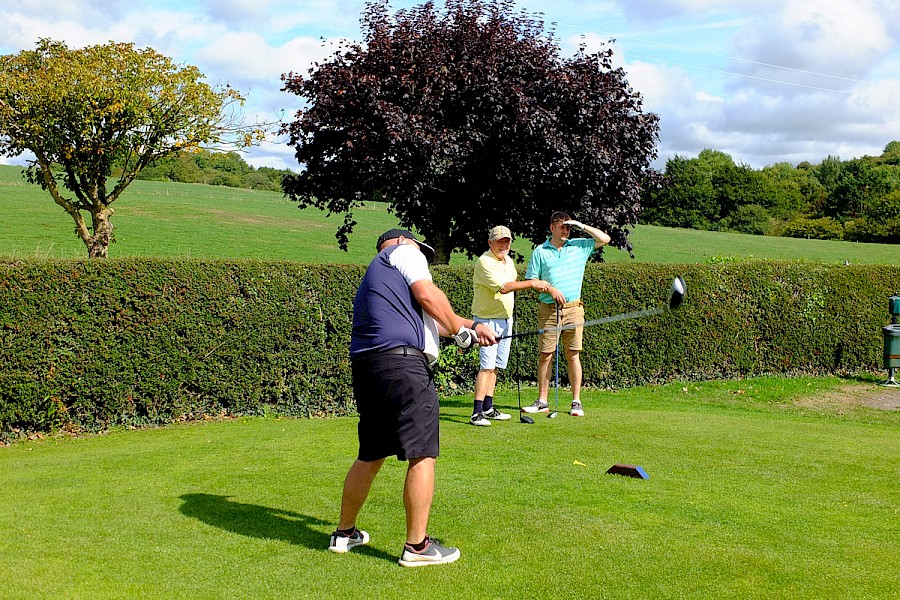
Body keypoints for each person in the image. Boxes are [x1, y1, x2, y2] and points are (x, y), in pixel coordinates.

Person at [329, 228, 497, 567]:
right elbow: (428, 294)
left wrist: (472, 328)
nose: (424, 257)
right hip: (404, 367)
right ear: (405, 243)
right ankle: (417, 547)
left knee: (371, 453)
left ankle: (344, 534)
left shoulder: (379, 278)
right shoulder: (403, 253)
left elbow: (434, 320)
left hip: (371, 368)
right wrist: (462, 332)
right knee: (423, 453)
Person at [469, 225, 562, 426]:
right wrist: (533, 283)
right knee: (486, 367)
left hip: (505, 319)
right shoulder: (484, 262)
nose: (504, 245)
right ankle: (476, 413)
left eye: (507, 241)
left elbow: (511, 283)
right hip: (486, 321)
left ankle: (488, 407)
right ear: (490, 242)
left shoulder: (508, 261)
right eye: (500, 241)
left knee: (496, 367)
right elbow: (504, 288)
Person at [522, 212, 610, 417]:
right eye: (562, 226)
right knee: (546, 355)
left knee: (573, 354)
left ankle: (576, 401)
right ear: (552, 228)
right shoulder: (540, 251)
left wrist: (581, 225)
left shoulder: (579, 245)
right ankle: (542, 400)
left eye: (568, 227)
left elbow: (605, 239)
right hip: (549, 310)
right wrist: (550, 290)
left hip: (573, 309)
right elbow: (533, 281)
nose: (566, 230)